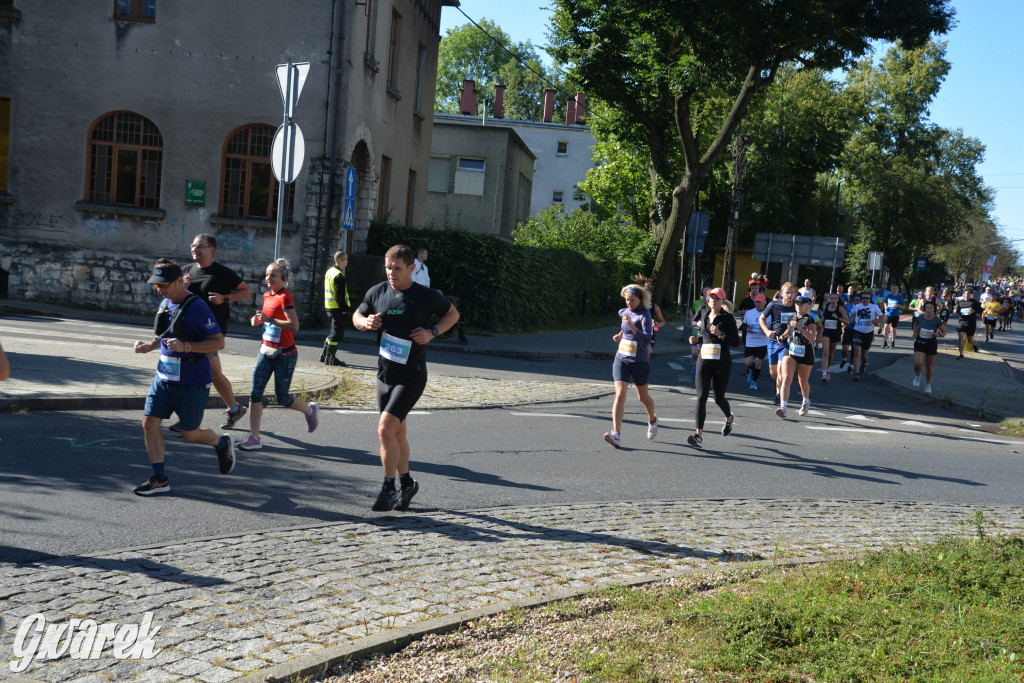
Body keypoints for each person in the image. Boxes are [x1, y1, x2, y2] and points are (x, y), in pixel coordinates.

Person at [353, 245, 460, 512]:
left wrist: (432, 332)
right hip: (384, 374)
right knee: (397, 432)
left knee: (384, 428)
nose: (391, 273)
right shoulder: (377, 292)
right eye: (388, 267)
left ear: (412, 268)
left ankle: (388, 488)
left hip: (411, 376)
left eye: (397, 268)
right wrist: (365, 323)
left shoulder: (425, 296)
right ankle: (407, 483)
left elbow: (453, 314)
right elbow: (357, 315)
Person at [131, 259, 236, 496]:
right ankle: (160, 480)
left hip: (192, 381)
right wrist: (149, 346)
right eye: (157, 285)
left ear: (179, 281)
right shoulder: (166, 302)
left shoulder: (197, 307)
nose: (160, 289)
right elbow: (166, 335)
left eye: (165, 285)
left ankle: (222, 444)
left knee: (190, 434)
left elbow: (218, 342)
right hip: (163, 378)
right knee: (149, 424)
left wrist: (186, 347)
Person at [235, 259, 320, 451]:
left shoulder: (285, 297)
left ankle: (310, 410)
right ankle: (254, 437)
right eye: (267, 275)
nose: (268, 278)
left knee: (282, 398)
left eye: (273, 275)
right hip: (265, 351)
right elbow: (268, 321)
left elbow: (294, 325)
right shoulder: (267, 295)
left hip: (285, 355)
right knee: (255, 393)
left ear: (284, 278)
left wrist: (270, 320)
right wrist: (259, 322)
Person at [177, 233, 252, 432]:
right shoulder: (186, 271)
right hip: (189, 329)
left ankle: (188, 419)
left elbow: (245, 292)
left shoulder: (222, 273)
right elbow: (175, 299)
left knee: (210, 372)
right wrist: (181, 288)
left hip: (213, 331)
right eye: (193, 245)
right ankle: (234, 408)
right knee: (210, 373)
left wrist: (224, 298)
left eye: (200, 246)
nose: (195, 249)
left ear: (211, 250)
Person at [603, 284, 658, 448]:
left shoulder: (645, 315)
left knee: (643, 397)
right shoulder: (623, 312)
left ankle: (652, 420)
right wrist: (620, 335)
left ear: (640, 299)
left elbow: (647, 339)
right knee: (619, 395)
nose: (629, 304)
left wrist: (633, 326)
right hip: (622, 358)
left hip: (640, 361)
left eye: (632, 300)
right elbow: (625, 328)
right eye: (627, 300)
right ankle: (616, 434)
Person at [687, 287, 738, 449]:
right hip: (705, 358)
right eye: (711, 298)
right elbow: (702, 335)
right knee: (701, 396)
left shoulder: (728, 318)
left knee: (718, 398)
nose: (713, 300)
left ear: (722, 301)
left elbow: (736, 342)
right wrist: (696, 339)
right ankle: (698, 436)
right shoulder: (703, 315)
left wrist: (721, 334)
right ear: (707, 300)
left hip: (722, 361)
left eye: (717, 298)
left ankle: (729, 418)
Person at [776, 295, 818, 417]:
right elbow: (788, 332)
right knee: (786, 377)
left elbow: (812, 338)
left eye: (801, 304)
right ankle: (783, 407)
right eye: (797, 304)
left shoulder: (810, 320)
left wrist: (801, 327)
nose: (798, 306)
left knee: (802, 381)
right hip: (791, 350)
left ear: (806, 306)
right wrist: (781, 337)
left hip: (805, 352)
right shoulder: (791, 318)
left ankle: (806, 400)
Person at [759, 281, 798, 406]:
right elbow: (762, 318)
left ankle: (778, 395)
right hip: (773, 341)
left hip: (788, 342)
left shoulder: (797, 307)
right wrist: (766, 331)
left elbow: (796, 324)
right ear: (782, 293)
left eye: (792, 293)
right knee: (773, 372)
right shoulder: (774, 305)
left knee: (781, 371)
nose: (790, 295)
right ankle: (780, 386)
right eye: (787, 293)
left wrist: (784, 336)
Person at [321, 250, 351, 367]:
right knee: (336, 335)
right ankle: (331, 359)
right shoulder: (339, 276)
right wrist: (344, 309)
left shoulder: (330, 272)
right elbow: (340, 295)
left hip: (329, 307)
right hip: (337, 309)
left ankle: (325, 356)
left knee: (332, 333)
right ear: (342, 260)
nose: (347, 261)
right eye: (346, 259)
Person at [912, 300, 946, 394]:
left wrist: (938, 334)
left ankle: (928, 384)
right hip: (920, 342)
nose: (929, 310)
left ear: (934, 309)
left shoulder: (937, 320)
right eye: (927, 308)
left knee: (929, 365)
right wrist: (914, 333)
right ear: (925, 309)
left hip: (931, 343)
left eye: (931, 308)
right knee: (917, 364)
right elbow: (915, 324)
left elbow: (944, 332)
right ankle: (917, 376)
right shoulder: (920, 317)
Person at [848, 291, 883, 381]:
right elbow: (852, 313)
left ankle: (863, 365)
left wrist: (873, 322)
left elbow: (882, 318)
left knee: (864, 355)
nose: (865, 300)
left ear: (870, 299)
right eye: (863, 298)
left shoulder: (874, 307)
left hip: (868, 333)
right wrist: (852, 319)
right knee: (857, 352)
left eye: (867, 298)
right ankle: (856, 373)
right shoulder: (857, 306)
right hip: (857, 331)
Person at [818, 291, 849, 383]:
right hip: (826, 332)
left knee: (831, 354)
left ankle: (827, 369)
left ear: (838, 299)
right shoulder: (826, 307)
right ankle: (823, 374)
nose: (833, 300)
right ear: (829, 299)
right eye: (831, 298)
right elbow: (823, 318)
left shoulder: (840, 308)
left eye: (835, 298)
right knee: (825, 352)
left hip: (836, 332)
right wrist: (818, 325)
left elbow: (847, 321)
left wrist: (838, 318)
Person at [632, 274, 666, 354]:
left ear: (651, 294)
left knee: (645, 358)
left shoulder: (655, 307)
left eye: (647, 293)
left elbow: (663, 322)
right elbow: (627, 320)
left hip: (649, 336)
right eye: (644, 294)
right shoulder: (635, 306)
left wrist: (657, 324)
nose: (646, 296)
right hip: (635, 335)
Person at [741, 293, 768, 390]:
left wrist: (766, 330)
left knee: (757, 363)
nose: (757, 303)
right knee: (748, 364)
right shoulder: (749, 313)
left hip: (762, 342)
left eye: (759, 302)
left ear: (764, 302)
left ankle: (754, 382)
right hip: (750, 342)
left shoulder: (768, 314)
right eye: (756, 302)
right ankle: (752, 371)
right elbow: (742, 326)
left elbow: (773, 327)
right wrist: (746, 328)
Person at [955, 287, 983, 358]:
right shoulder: (960, 302)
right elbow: (957, 310)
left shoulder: (974, 302)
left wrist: (974, 311)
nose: (967, 295)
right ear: (963, 294)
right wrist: (955, 310)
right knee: (961, 338)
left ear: (971, 295)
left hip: (971, 323)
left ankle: (975, 345)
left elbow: (981, 310)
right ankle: (961, 354)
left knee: (970, 340)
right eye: (966, 294)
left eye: (968, 294)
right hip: (962, 322)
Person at [881, 284, 906, 348]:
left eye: (895, 289)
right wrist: (885, 306)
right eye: (893, 289)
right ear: (891, 290)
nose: (894, 290)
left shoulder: (900, 297)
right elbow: (884, 302)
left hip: (895, 315)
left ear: (898, 290)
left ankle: (892, 342)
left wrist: (898, 306)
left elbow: (904, 306)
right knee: (886, 327)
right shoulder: (888, 295)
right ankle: (885, 342)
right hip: (888, 313)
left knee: (893, 329)